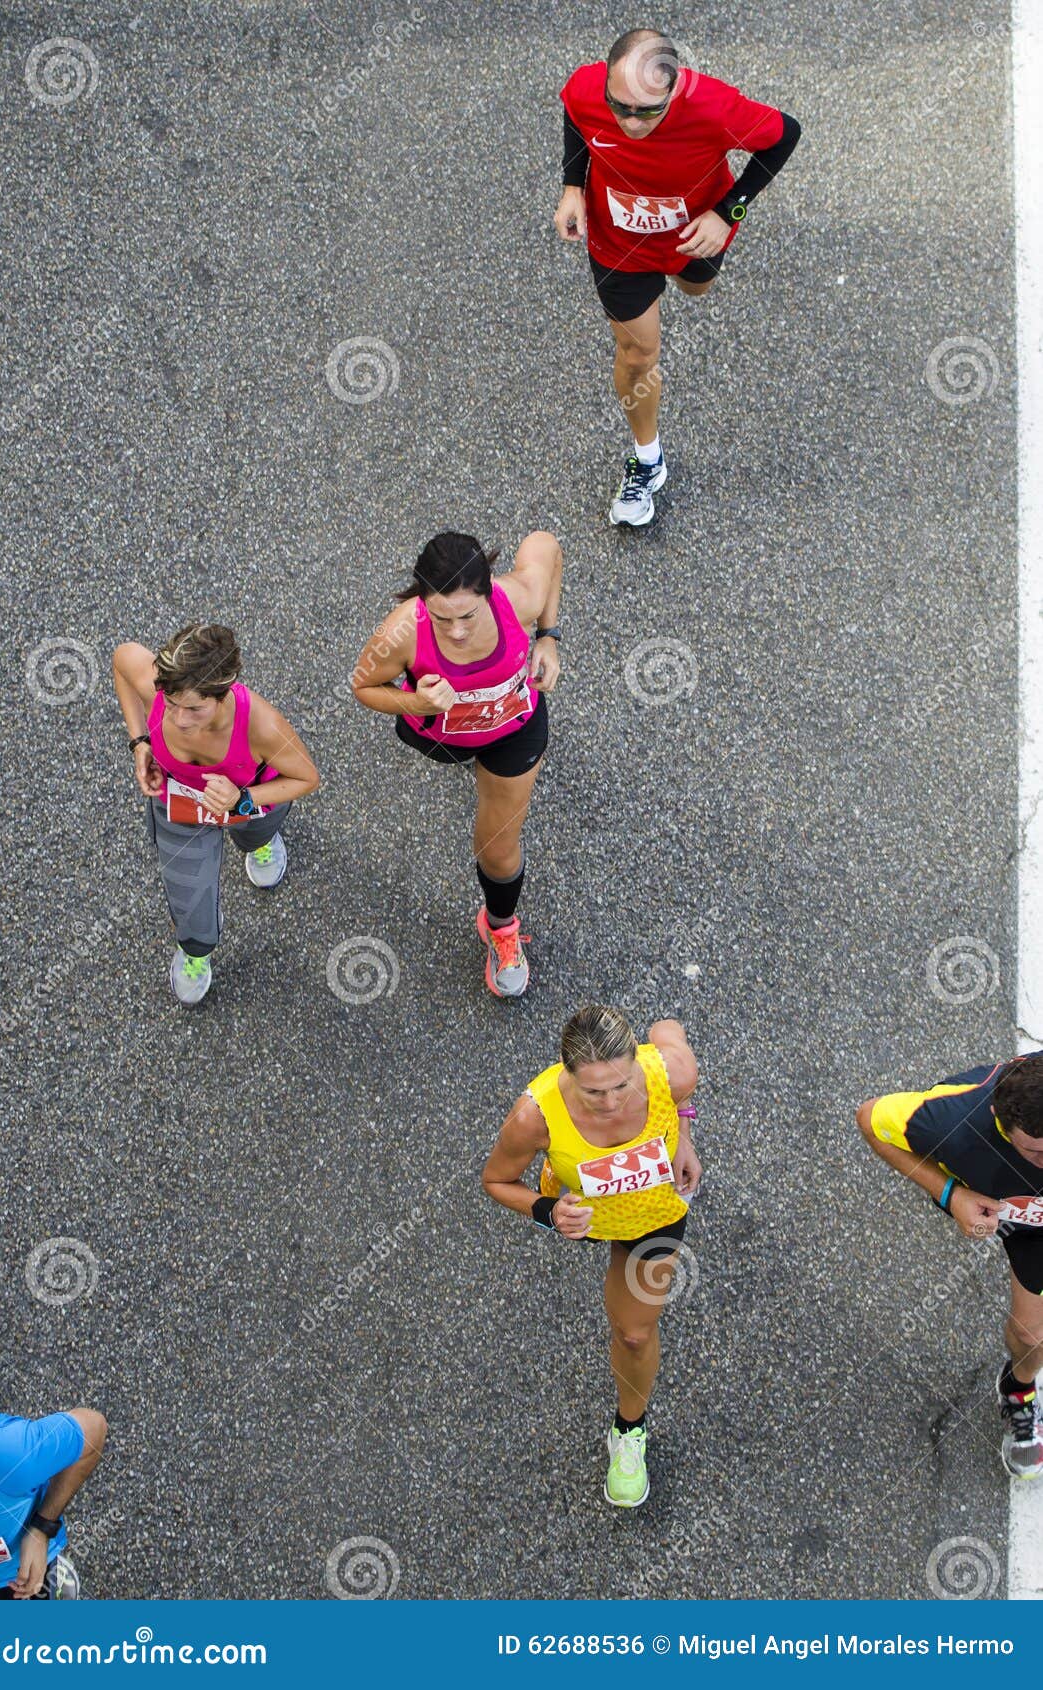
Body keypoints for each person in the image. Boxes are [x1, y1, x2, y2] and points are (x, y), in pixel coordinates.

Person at [556, 28, 800, 526]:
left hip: (694, 238)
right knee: (638, 354)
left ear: (674, 89)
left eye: (646, 111)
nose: (628, 122)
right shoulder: (586, 89)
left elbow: (785, 135)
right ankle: (648, 460)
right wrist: (572, 186)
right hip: (618, 244)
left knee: (698, 287)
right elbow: (577, 118)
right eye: (618, 106)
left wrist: (728, 213)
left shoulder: (715, 108)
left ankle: (685, 276)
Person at [482, 1006, 701, 1504]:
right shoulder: (532, 1117)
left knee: (634, 1331)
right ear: (566, 1076)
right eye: (594, 1091)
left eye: (622, 1086)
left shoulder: (670, 1071)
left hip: (652, 1215)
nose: (611, 1102)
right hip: (585, 1218)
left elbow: (676, 1059)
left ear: (638, 1065)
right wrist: (548, 1212)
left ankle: (628, 1432)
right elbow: (495, 1181)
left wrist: (684, 1136)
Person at [351, 530, 561, 998]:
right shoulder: (401, 632)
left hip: (514, 731)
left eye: (468, 614)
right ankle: (470, 757)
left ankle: (500, 926)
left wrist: (548, 638)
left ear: (489, 591)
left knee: (497, 847)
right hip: (443, 737)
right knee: (466, 764)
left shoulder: (517, 599)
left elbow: (545, 546)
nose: (458, 630)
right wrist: (417, 703)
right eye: (443, 619)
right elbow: (364, 687)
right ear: (423, 602)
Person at [857, 1054, 1043, 1479]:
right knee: (1031, 1333)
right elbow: (869, 1120)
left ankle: (1020, 1382)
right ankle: (1018, 1392)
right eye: (1037, 1153)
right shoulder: (949, 1120)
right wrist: (950, 1196)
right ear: (1000, 1120)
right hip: (1012, 1214)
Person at [113, 624, 320, 1005]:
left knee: (254, 835)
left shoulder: (263, 726)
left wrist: (243, 799)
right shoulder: (156, 686)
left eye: (194, 708)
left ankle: (259, 844)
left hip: (250, 805)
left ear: (223, 693)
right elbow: (124, 658)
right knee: (190, 901)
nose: (178, 719)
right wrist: (140, 742)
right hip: (179, 806)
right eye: (170, 702)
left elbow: (306, 778)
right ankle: (195, 953)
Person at [0, 1404, 106, 1599]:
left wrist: (42, 1528)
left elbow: (92, 1429)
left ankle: (52, 1583)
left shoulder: (7, 1454)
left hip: (14, 1574)